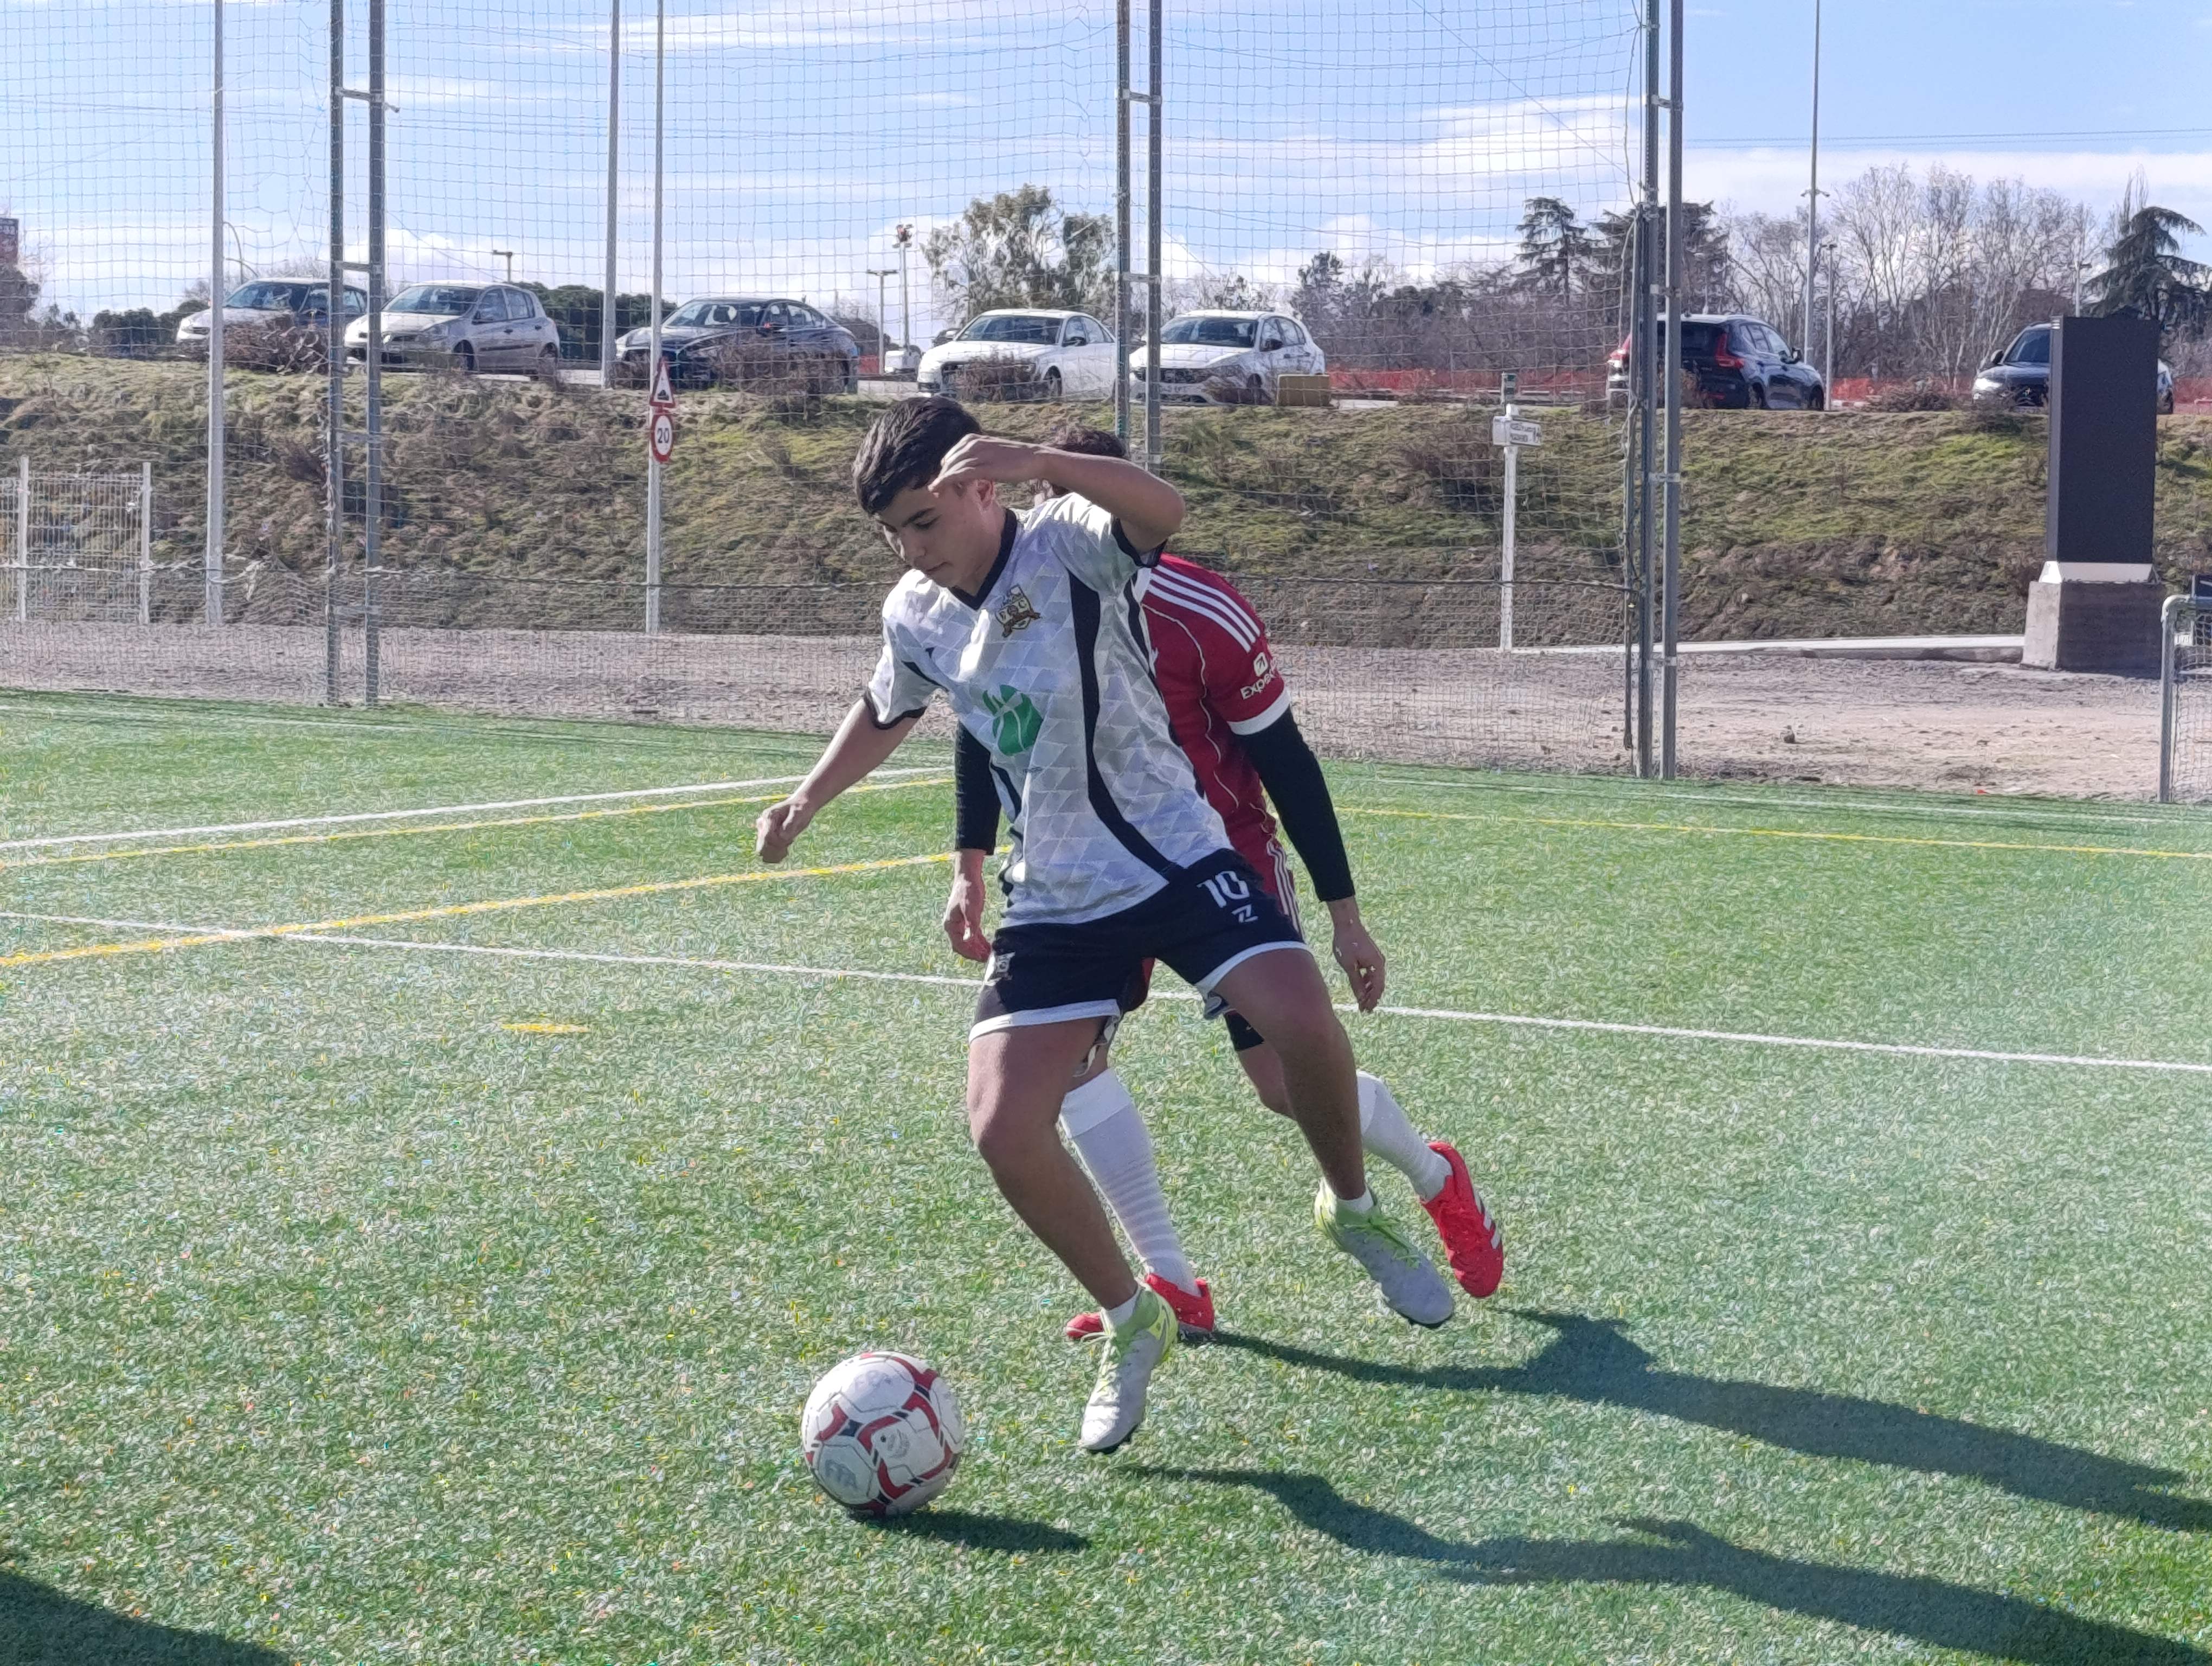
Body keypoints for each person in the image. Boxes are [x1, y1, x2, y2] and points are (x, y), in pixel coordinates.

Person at [755, 396, 1455, 1454]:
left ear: (980, 486)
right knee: (1002, 1127)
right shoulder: (916, 611)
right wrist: (808, 800)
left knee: (1303, 1023)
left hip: (1174, 851)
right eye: (893, 531)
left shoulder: (1070, 544)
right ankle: (1135, 1318)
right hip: (1057, 894)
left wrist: (1040, 457)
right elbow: (889, 706)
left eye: (923, 520)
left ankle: (1354, 1210)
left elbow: (1162, 510)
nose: (911, 548)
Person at [943, 424, 1503, 1347]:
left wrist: (1346, 918)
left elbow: (1287, 761)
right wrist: (967, 865)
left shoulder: (1200, 609)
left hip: (1212, 859)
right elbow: (981, 726)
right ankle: (1169, 1282)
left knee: (1283, 1084)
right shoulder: (1008, 600)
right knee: (1066, 1069)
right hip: (1079, 874)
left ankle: (1432, 1176)